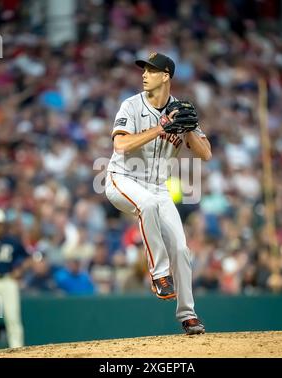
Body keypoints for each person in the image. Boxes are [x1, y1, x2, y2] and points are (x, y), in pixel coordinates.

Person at [105, 52, 212, 335]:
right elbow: (121, 146)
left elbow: (206, 153)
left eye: (151, 70)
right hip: (122, 178)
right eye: (143, 69)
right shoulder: (130, 105)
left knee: (181, 248)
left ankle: (188, 316)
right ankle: (159, 275)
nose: (144, 74)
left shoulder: (180, 109)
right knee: (148, 205)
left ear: (166, 76)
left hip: (158, 186)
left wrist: (189, 131)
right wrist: (160, 128)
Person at [0, 208, 30, 348]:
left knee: (12, 318)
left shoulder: (11, 241)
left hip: (7, 280)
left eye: (0, 224)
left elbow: (28, 258)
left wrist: (19, 270)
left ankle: (17, 351)